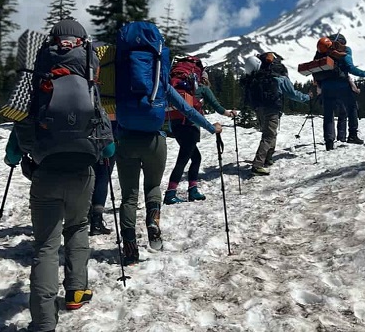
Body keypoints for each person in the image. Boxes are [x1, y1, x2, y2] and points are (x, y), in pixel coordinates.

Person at [3, 19, 115, 332]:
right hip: (82, 169)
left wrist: (16, 154)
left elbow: (23, 125)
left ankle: (43, 322)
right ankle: (77, 290)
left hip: (46, 172)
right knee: (78, 226)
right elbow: (105, 138)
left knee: (45, 246)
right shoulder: (89, 73)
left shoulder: (38, 72)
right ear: (82, 42)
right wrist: (104, 149)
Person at [114, 22, 222, 265]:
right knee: (152, 187)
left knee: (129, 197)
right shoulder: (160, 79)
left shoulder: (120, 78)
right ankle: (153, 225)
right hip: (155, 139)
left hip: (126, 139)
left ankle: (130, 246)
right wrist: (210, 127)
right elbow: (187, 109)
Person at [164, 70, 237, 204]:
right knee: (183, 160)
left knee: (196, 158)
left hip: (176, 126)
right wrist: (229, 114)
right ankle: (170, 193)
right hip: (190, 127)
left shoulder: (178, 88)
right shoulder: (203, 89)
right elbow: (217, 107)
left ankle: (192, 190)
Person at [241, 54, 310, 176]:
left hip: (258, 108)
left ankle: (268, 157)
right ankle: (258, 164)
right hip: (271, 109)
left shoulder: (255, 77)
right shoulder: (277, 77)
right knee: (269, 135)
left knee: (269, 133)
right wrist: (307, 97)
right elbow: (292, 94)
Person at [313, 35, 365, 150]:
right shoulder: (342, 50)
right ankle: (352, 135)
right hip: (342, 85)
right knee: (352, 107)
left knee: (328, 114)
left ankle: (329, 142)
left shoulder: (322, 53)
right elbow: (350, 68)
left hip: (326, 87)